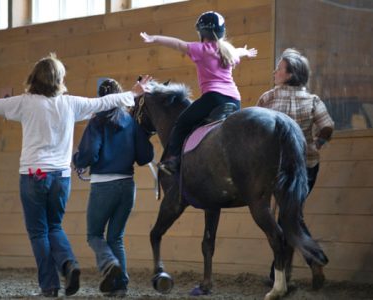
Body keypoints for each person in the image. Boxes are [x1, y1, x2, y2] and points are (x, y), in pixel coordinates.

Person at [0, 54, 150, 297]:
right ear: (59, 79)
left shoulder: (25, 103)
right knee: (54, 227)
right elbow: (105, 102)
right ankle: (68, 263)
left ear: (35, 78)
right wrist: (134, 92)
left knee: (38, 232)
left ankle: (50, 284)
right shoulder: (71, 104)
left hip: (33, 174)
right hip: (61, 178)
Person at [140, 11, 257, 175]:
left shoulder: (202, 49)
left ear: (202, 33)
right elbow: (238, 52)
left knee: (181, 124)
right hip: (235, 100)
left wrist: (155, 38)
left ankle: (172, 160)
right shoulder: (228, 50)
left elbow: (178, 44)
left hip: (213, 98)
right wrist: (246, 52)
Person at [256, 48, 334, 289]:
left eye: (279, 69)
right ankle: (285, 272)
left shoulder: (268, 98)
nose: (274, 72)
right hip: (306, 167)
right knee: (290, 217)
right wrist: (315, 146)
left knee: (288, 218)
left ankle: (291, 269)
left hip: (277, 168)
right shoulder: (313, 100)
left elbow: (253, 129)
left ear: (289, 75)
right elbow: (327, 127)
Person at [73, 78, 154, 297]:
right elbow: (146, 156)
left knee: (94, 235)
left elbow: (90, 154)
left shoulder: (97, 122)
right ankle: (120, 285)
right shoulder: (130, 121)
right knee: (115, 237)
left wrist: (77, 160)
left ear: (101, 98)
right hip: (128, 186)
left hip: (104, 186)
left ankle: (108, 263)